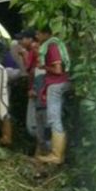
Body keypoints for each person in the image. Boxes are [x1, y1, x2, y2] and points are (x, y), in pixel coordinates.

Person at [34, 27, 71, 165]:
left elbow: (57, 70)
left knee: (54, 118)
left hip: (56, 85)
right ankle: (57, 153)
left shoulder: (51, 46)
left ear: (46, 34)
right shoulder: (55, 44)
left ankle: (56, 155)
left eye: (39, 33)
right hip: (59, 83)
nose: (37, 36)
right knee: (56, 118)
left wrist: (44, 68)